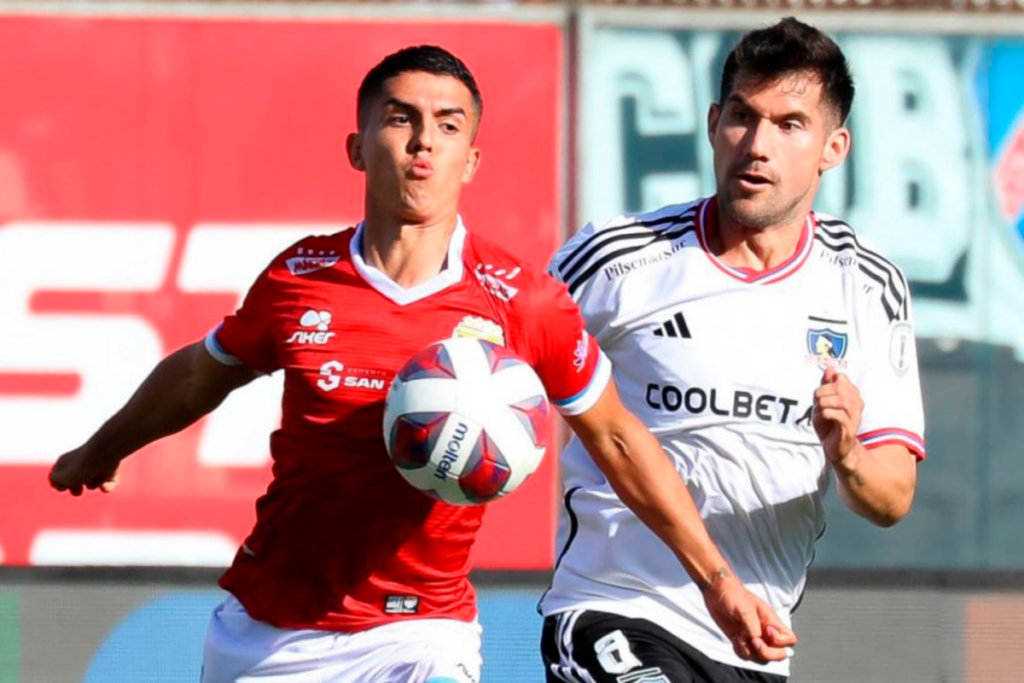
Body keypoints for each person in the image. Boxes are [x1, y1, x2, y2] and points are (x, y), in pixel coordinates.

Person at [48, 46, 794, 683]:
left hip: (420, 636)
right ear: (357, 144)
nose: (421, 145)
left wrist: (719, 582)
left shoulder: (521, 300)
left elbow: (620, 438)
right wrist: (101, 447)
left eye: (447, 126)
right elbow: (199, 373)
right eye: (400, 119)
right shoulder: (299, 278)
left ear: (471, 159)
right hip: (269, 629)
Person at [541, 17, 925, 683]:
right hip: (615, 608)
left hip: (754, 642)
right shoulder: (617, 257)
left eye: (789, 124)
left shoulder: (867, 284)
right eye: (742, 117)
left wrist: (848, 454)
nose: (757, 144)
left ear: (834, 146)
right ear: (714, 122)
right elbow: (491, 376)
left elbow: (890, 497)